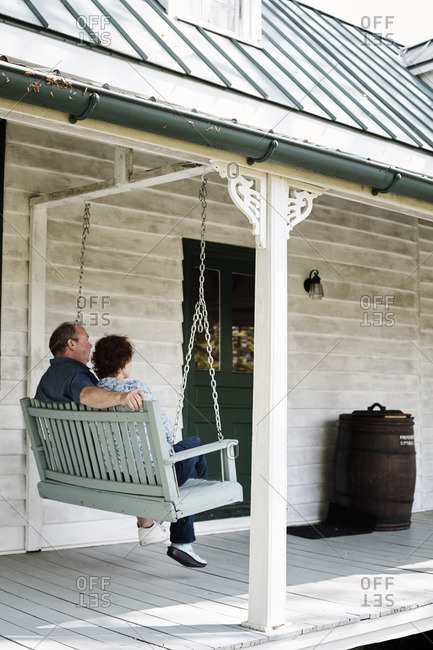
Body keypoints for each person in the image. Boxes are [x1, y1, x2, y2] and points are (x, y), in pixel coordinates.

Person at [35, 322, 165, 548]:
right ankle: (148, 523)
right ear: (71, 344)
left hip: (60, 463)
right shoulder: (75, 374)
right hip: (93, 465)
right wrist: (120, 398)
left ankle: (148, 524)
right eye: (86, 339)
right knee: (129, 454)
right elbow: (86, 395)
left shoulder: (48, 378)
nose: (90, 344)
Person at [91, 334, 208, 569]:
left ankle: (174, 534)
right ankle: (182, 539)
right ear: (124, 361)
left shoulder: (94, 394)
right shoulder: (135, 389)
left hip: (117, 474)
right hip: (154, 476)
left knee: (185, 469)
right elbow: (165, 432)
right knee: (193, 444)